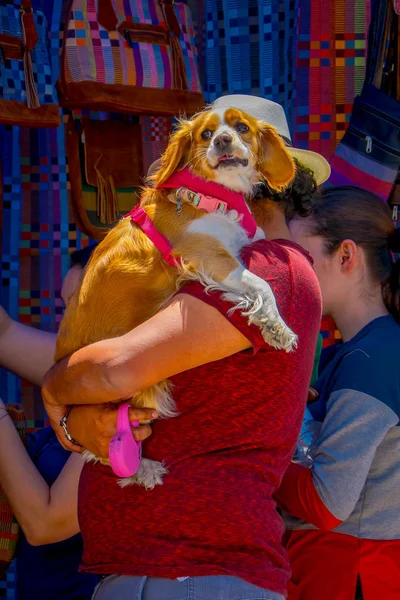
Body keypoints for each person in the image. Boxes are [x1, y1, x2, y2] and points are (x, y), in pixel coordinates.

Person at [36, 96, 326, 600]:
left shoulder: (271, 269)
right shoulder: (190, 264)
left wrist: (53, 388)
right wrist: (76, 421)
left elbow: (117, 369)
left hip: (196, 574)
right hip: (158, 572)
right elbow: (113, 399)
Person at [0, 245, 153, 600]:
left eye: (78, 308)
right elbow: (4, 336)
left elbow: (46, 523)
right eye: (64, 307)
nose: (65, 325)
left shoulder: (137, 398)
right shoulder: (84, 373)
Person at [275, 186, 400, 600]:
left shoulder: (373, 357)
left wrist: (258, 461)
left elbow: (327, 504)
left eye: (301, 258)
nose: (291, 273)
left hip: (351, 574)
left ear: (346, 256)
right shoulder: (356, 351)